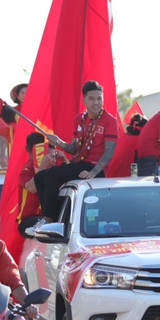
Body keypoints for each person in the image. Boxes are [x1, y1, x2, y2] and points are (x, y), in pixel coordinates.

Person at [34, 80, 119, 220]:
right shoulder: (79, 119)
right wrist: (59, 142)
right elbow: (74, 149)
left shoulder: (110, 121)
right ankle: (54, 218)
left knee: (52, 174)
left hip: (94, 168)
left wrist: (93, 173)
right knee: (40, 177)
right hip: (80, 164)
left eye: (99, 98)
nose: (96, 102)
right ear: (84, 100)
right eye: (91, 98)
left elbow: (109, 152)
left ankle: (48, 219)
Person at [18, 132, 65, 236]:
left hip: (52, 216)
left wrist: (65, 161)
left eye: (54, 156)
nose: (53, 160)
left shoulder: (54, 169)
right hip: (30, 218)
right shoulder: (27, 170)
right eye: (49, 156)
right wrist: (42, 166)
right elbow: (33, 188)